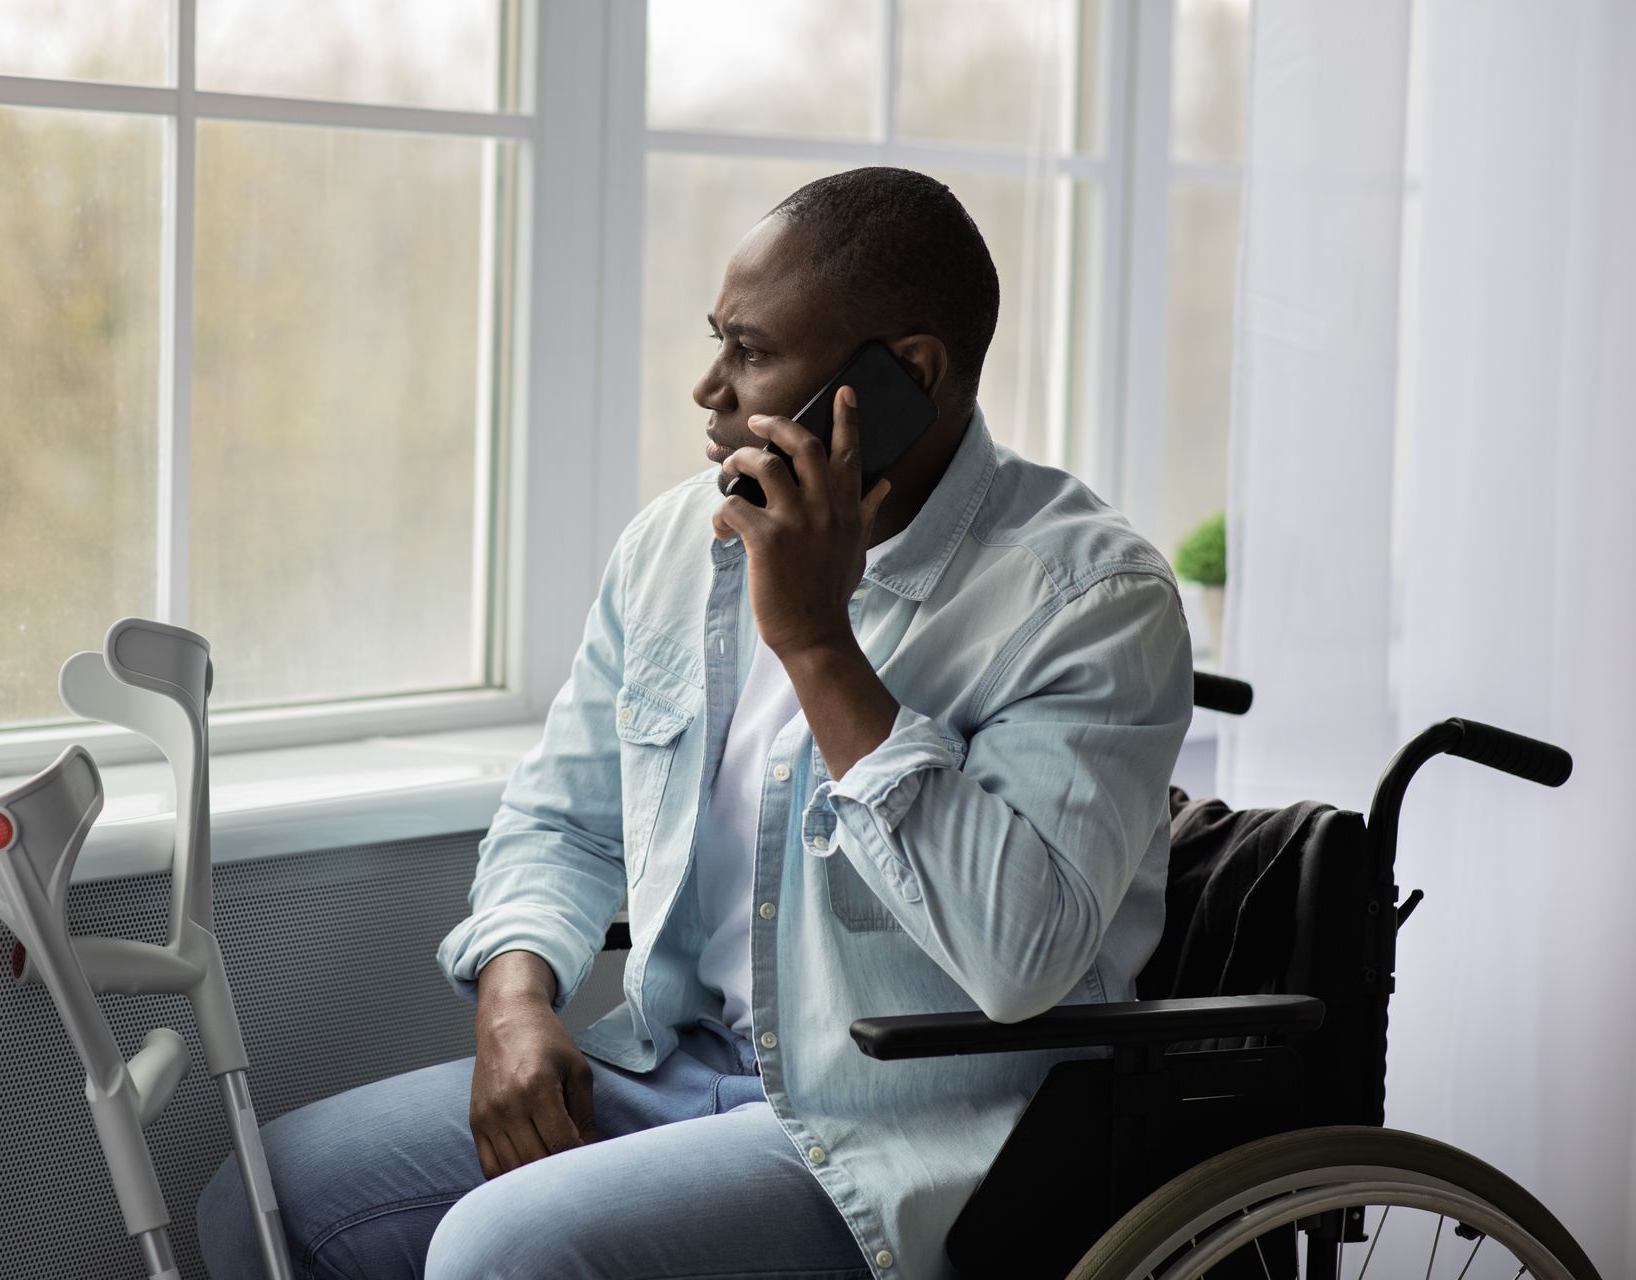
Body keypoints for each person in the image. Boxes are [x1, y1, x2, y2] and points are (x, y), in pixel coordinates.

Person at [197, 166, 1193, 1280]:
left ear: (904, 376)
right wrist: (517, 999)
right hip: (676, 1064)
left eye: (753, 353)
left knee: (505, 1249)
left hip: (908, 1128)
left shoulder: (1093, 600)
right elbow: (563, 818)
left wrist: (820, 643)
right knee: (268, 1198)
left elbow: (1022, 957)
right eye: (717, 340)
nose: (707, 387)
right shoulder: (679, 540)